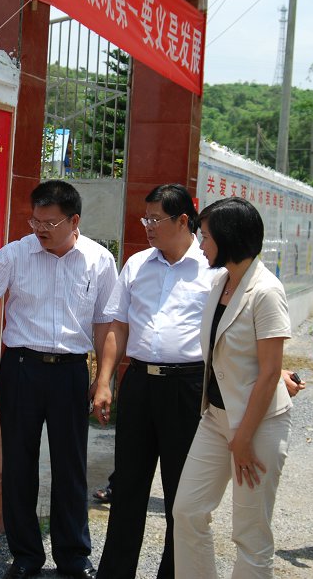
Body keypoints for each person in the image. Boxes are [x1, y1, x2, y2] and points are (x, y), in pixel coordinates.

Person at [0, 180, 117, 579]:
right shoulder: (16, 254)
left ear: (74, 221)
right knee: (18, 464)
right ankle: (26, 554)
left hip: (70, 371)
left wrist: (103, 380)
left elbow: (105, 324)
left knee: (70, 465)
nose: (40, 229)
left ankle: (73, 555)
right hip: (22, 369)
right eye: (35, 221)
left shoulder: (99, 260)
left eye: (50, 222)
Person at [90, 184, 217, 579]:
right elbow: (118, 326)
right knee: (128, 485)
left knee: (182, 490)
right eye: (145, 218)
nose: (147, 226)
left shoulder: (212, 268)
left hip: (188, 387)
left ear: (183, 221)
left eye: (156, 219)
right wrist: (104, 381)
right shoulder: (137, 264)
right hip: (140, 383)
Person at [172, 197, 293, 579]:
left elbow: (270, 372)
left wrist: (242, 438)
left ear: (229, 237)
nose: (200, 244)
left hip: (259, 424)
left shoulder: (266, 291)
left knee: (250, 532)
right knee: (187, 511)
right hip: (216, 417)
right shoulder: (220, 282)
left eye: (205, 236)